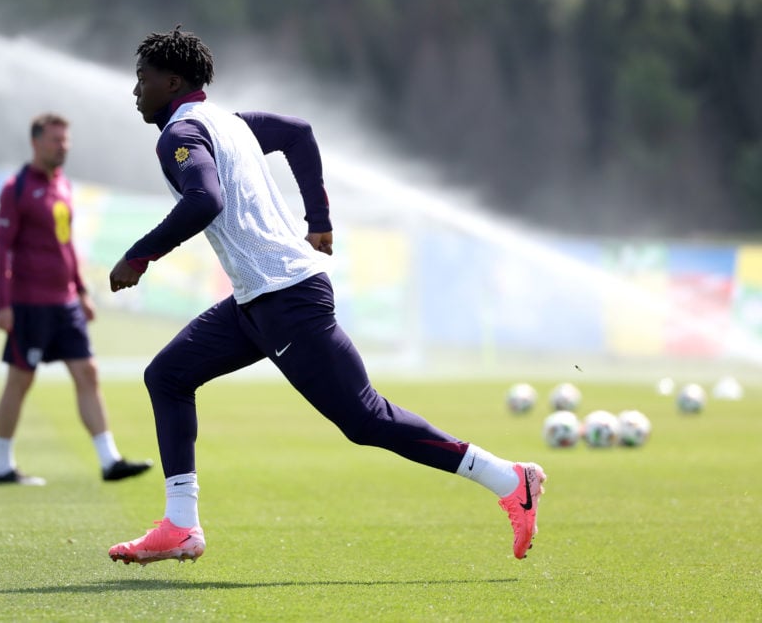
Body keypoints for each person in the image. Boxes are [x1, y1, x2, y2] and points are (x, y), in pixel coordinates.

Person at [106, 28, 546, 565]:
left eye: (142, 79)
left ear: (171, 82)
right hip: (257, 301)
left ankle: (509, 478)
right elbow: (298, 132)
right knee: (168, 376)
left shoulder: (181, 133)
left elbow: (204, 200)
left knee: (366, 420)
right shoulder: (229, 123)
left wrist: (139, 255)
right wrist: (319, 220)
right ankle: (180, 524)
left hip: (286, 299)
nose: (135, 91)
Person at [0, 112, 153, 486]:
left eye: (66, 140)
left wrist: (79, 290)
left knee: (87, 372)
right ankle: (1, 465)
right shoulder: (15, 189)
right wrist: (2, 303)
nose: (63, 146)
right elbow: (2, 250)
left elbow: (65, 245)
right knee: (20, 380)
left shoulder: (62, 186)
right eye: (55, 140)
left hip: (65, 304)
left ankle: (110, 460)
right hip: (30, 304)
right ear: (36, 143)